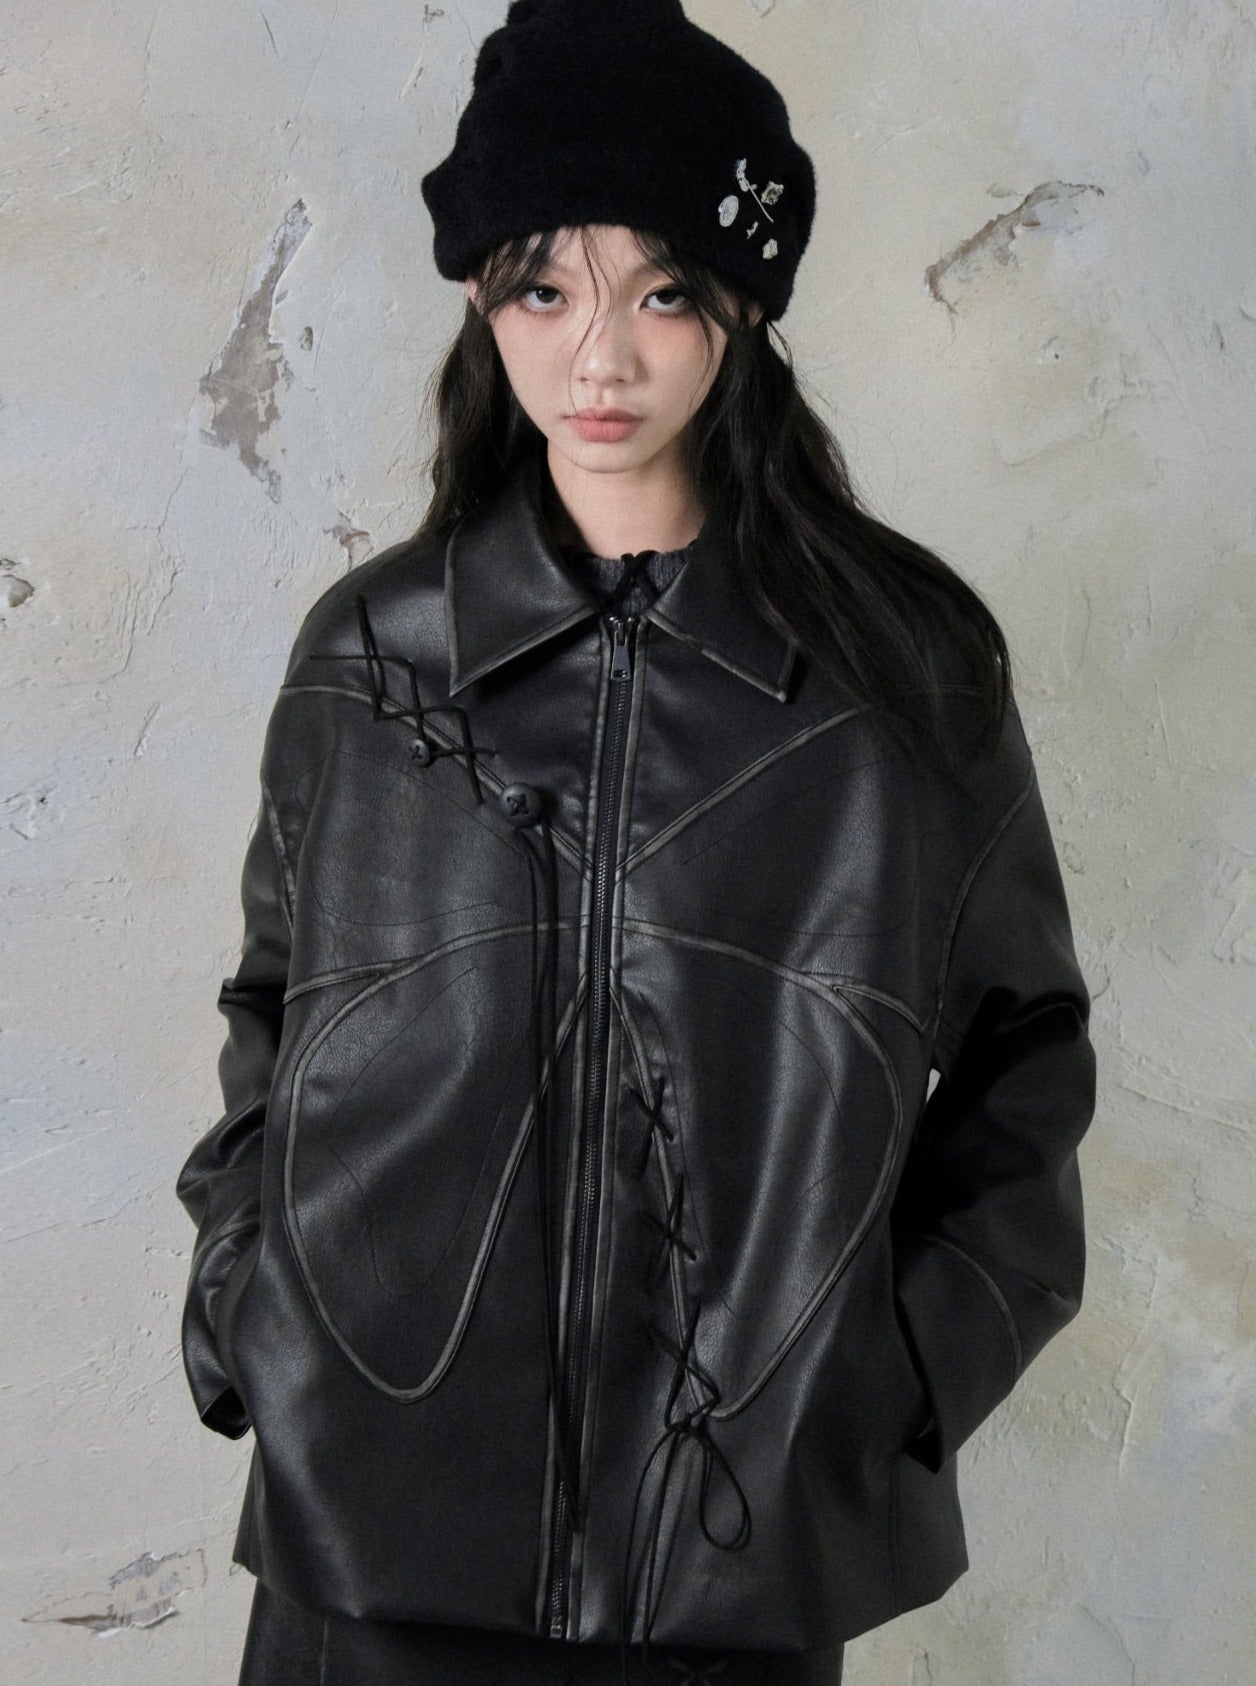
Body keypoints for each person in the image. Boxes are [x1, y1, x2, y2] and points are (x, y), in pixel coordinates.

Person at [174, 3, 1098, 1684]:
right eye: (545, 289)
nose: (599, 358)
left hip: (730, 1566)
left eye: (662, 291)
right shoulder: (371, 660)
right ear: (481, 300)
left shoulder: (900, 678)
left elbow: (1027, 1055)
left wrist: (888, 1373)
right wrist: (256, 1310)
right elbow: (275, 1010)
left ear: (741, 306)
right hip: (365, 1538)